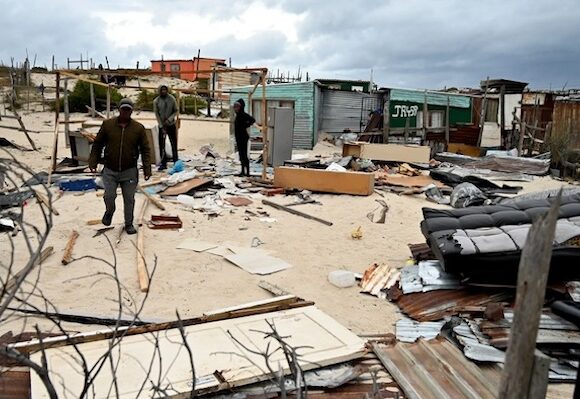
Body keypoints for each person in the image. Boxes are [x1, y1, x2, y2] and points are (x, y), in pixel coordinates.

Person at [89, 98, 152, 235]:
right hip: (110, 169)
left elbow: (146, 149)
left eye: (128, 109)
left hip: (129, 170)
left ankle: (128, 224)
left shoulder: (138, 128)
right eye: (123, 109)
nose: (125, 112)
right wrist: (93, 162)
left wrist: (147, 168)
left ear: (131, 111)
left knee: (129, 199)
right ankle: (109, 211)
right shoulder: (108, 125)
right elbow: (97, 144)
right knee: (109, 196)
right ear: (119, 109)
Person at [153, 85, 178, 170]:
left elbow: (176, 110)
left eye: (165, 90)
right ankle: (163, 163)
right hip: (161, 125)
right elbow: (156, 114)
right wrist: (161, 125)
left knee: (173, 144)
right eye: (162, 90)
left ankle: (176, 161)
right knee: (161, 145)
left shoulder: (172, 99)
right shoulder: (156, 101)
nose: (163, 91)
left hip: (171, 124)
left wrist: (169, 120)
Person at [233, 98, 255, 176]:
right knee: (241, 155)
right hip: (239, 137)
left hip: (243, 137)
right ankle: (243, 171)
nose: (236, 109)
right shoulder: (238, 116)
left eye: (237, 107)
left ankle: (247, 172)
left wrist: (246, 125)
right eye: (235, 107)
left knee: (244, 154)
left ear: (241, 107)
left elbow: (252, 120)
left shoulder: (243, 115)